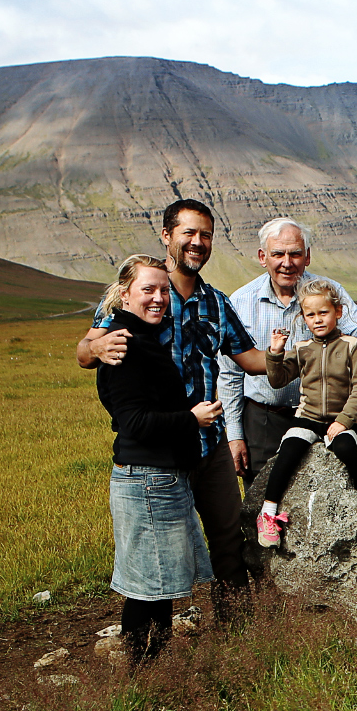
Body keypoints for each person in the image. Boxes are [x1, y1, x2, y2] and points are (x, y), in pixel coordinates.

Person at [79, 200, 267, 602]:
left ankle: (237, 635)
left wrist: (309, 354)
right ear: (167, 236)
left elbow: (251, 360)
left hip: (208, 443)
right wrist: (95, 350)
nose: (197, 243)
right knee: (154, 551)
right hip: (158, 449)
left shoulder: (216, 302)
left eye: (206, 235)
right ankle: (148, 648)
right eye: (189, 233)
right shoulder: (138, 296)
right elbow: (84, 350)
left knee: (228, 540)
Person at [219, 217, 357, 481]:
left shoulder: (331, 293)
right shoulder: (241, 302)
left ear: (308, 256)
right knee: (265, 498)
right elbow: (230, 373)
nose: (287, 263)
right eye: (278, 253)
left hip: (329, 419)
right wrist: (234, 435)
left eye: (295, 254)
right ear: (262, 257)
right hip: (264, 420)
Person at [93, 255, 220, 662]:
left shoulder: (142, 337)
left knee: (156, 587)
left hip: (159, 478)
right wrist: (191, 418)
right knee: (147, 590)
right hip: (148, 480)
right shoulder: (124, 344)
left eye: (164, 290)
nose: (159, 298)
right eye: (148, 289)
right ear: (124, 294)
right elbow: (132, 420)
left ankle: (149, 672)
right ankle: (141, 673)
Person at [253, 278, 357, 546]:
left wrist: (343, 421)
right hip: (307, 419)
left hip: (342, 420)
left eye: (323, 312)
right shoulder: (302, 349)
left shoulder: (352, 346)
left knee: (344, 447)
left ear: (337, 312)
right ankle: (268, 514)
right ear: (303, 318)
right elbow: (278, 380)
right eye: (310, 314)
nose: (317, 319)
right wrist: (274, 353)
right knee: (289, 452)